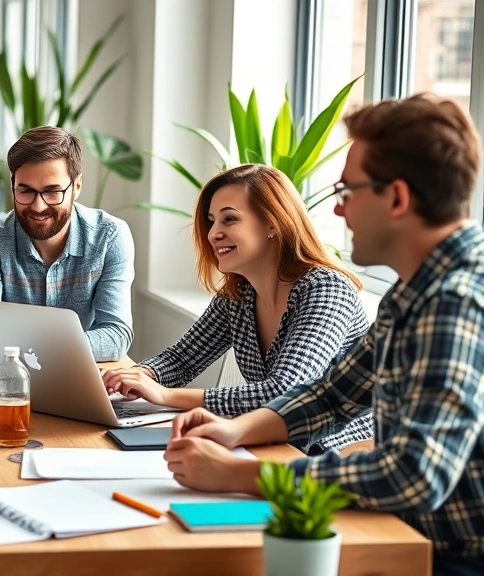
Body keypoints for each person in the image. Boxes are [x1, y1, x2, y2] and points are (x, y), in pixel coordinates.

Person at [163, 94, 484, 576]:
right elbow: (332, 394)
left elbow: (415, 475)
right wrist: (235, 430)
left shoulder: (455, 300)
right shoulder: (413, 291)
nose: (336, 211)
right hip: (404, 536)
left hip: (448, 557)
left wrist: (243, 473)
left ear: (395, 197)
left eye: (347, 192)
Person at [102, 165, 373, 453]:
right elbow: (183, 359)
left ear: (272, 223)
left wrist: (166, 396)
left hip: (336, 454)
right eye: (211, 221)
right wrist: (140, 376)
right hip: (271, 444)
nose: (213, 234)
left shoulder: (326, 289)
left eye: (229, 219)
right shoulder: (240, 292)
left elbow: (285, 392)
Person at [0, 126, 134, 361]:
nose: (38, 206)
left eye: (52, 192)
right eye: (25, 191)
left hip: (78, 375)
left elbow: (116, 336)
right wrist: (63, 347)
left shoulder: (110, 237)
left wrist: (32, 349)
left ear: (76, 186)